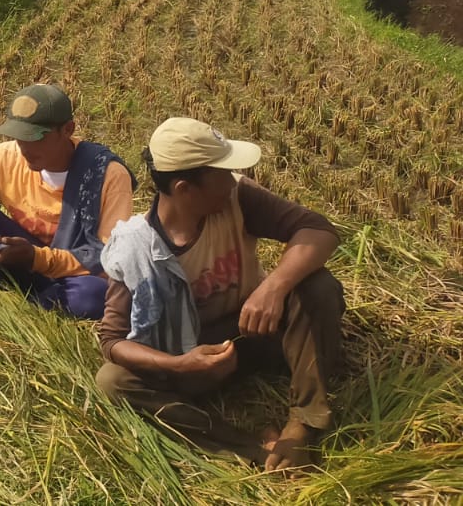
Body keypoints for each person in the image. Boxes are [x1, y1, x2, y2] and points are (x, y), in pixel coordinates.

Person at [95, 117, 343, 470]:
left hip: (259, 328)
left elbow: (319, 230)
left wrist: (272, 288)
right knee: (113, 381)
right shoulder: (134, 249)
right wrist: (180, 364)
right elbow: (112, 341)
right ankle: (253, 450)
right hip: (197, 358)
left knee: (317, 285)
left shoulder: (238, 197)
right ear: (184, 189)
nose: (232, 180)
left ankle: (303, 423)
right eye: (222, 174)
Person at [0, 84, 133, 319]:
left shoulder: (106, 174)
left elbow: (108, 256)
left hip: (71, 273)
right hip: (20, 257)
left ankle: (10, 308)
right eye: (19, 137)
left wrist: (36, 258)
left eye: (36, 137)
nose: (25, 148)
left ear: (67, 130)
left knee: (94, 295)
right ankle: (1, 289)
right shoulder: (7, 156)